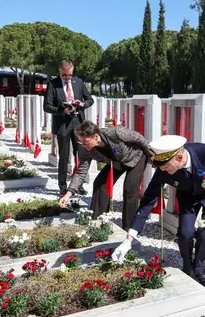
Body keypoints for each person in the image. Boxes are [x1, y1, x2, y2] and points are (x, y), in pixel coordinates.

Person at [111, 135, 205, 289]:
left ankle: (198, 267)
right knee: (185, 234)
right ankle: (187, 265)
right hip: (187, 198)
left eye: (165, 166)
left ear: (179, 157)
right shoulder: (164, 170)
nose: (163, 170)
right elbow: (148, 201)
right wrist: (128, 240)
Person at [58, 120, 151, 230]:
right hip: (116, 161)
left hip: (136, 157)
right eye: (81, 143)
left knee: (129, 189)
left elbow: (139, 138)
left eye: (86, 143)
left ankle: (129, 230)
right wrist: (68, 194)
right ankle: (98, 222)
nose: (83, 146)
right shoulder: (85, 149)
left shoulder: (116, 133)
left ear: (96, 137)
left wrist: (150, 156)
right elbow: (81, 172)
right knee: (100, 184)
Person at [43, 60, 94, 197]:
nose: (67, 78)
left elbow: (90, 100)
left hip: (78, 123)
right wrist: (62, 110)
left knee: (81, 155)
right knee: (64, 156)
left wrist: (82, 103)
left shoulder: (79, 82)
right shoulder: (53, 84)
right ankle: (62, 186)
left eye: (70, 75)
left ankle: (78, 184)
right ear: (60, 72)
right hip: (62, 125)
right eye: (64, 75)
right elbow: (47, 106)